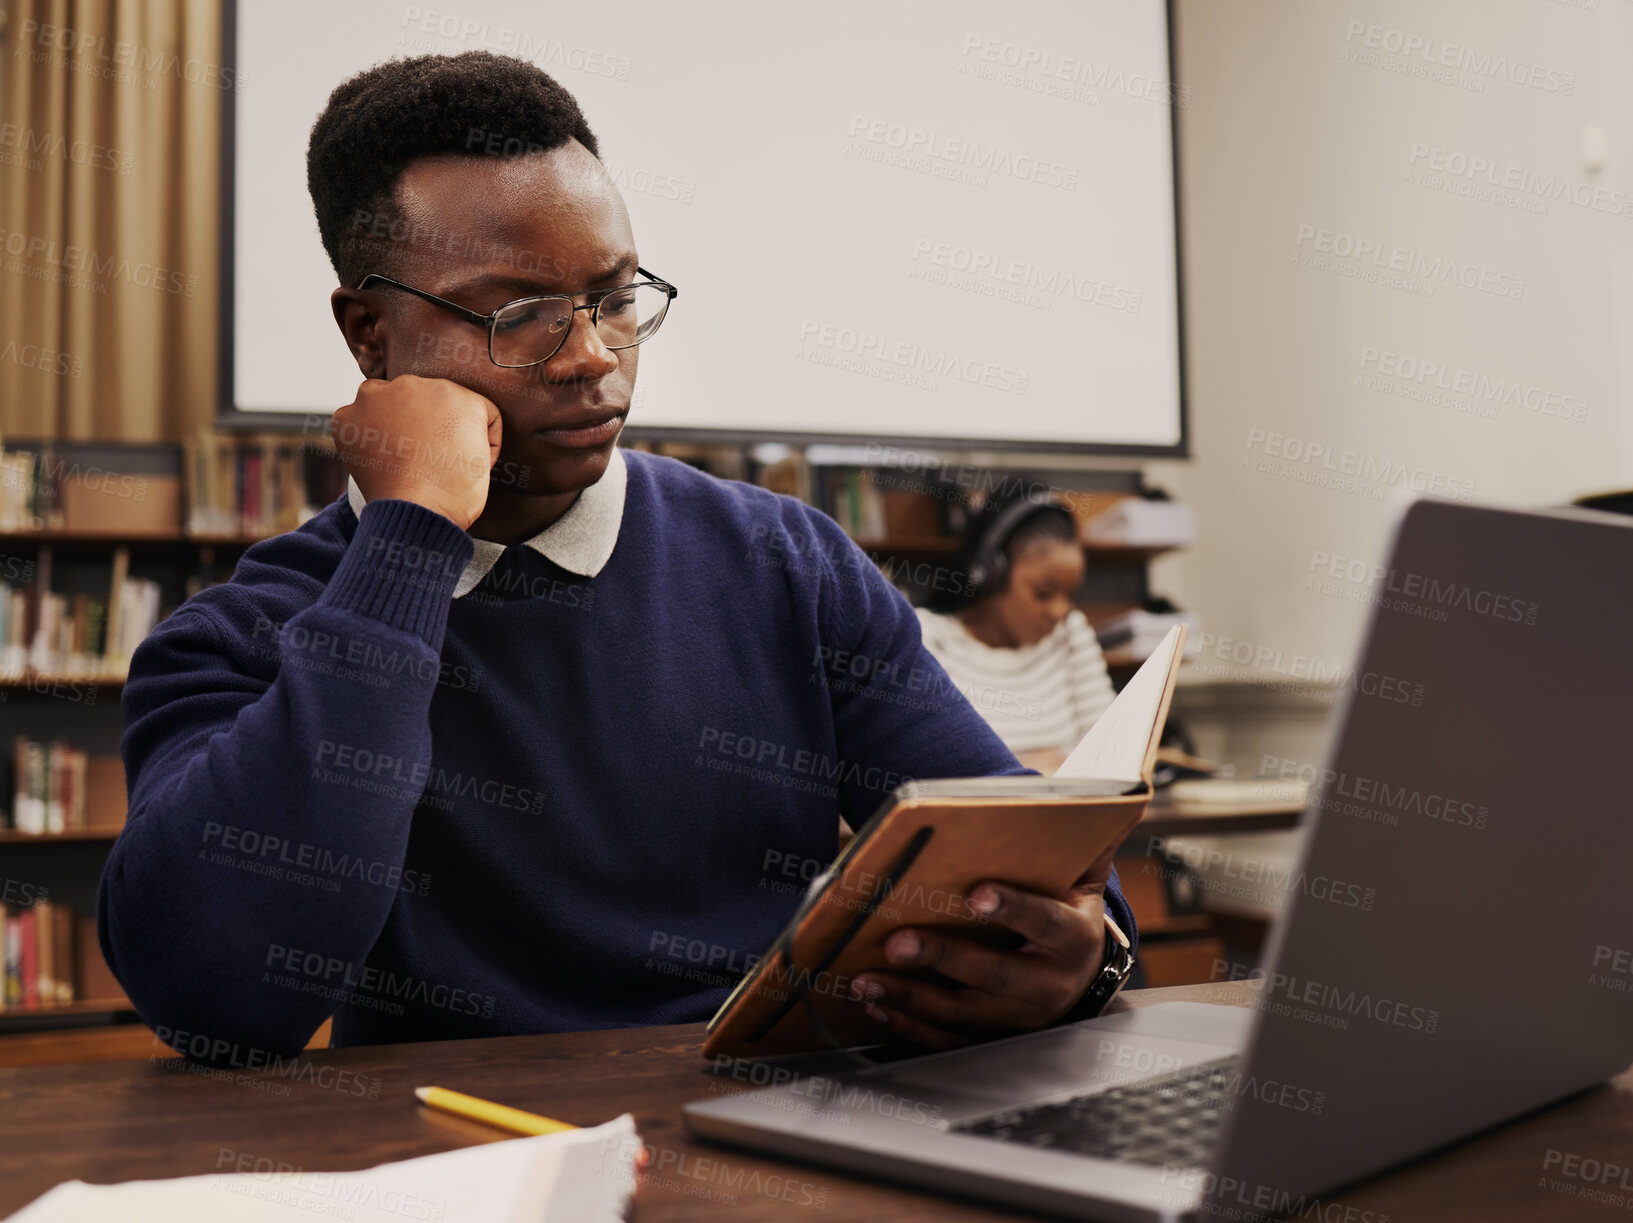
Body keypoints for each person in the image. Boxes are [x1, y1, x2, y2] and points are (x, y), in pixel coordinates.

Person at [98, 52, 1135, 1060]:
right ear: (371, 338)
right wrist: (408, 540)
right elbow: (218, 1003)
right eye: (521, 315)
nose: (594, 354)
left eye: (616, 296)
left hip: (763, 1132)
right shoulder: (244, 632)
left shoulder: (785, 563)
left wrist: (1083, 958)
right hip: (458, 1164)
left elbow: (1039, 866)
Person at [916, 492, 1116, 774]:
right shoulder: (929, 639)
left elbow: (1110, 747)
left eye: (1071, 594)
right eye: (1044, 593)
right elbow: (922, 767)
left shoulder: (1070, 632)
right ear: (990, 576)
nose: (1060, 610)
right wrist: (1020, 769)